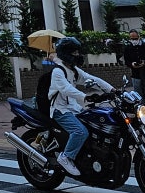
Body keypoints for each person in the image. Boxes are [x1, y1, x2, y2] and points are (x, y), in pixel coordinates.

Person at [49, 36, 114, 177]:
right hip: (61, 110)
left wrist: (112, 90)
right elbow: (66, 89)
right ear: (66, 53)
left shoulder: (74, 70)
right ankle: (66, 157)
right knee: (80, 132)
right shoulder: (58, 71)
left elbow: (92, 79)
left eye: (78, 52)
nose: (78, 55)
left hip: (74, 108)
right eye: (75, 52)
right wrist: (85, 97)